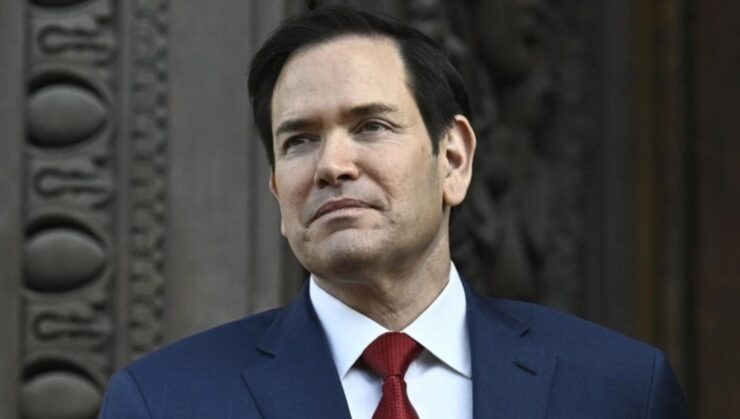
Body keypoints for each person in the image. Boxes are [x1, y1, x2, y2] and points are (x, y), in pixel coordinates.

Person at [99, 5, 688, 418]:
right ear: (277, 190)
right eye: (299, 140)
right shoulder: (166, 402)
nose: (332, 164)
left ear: (453, 159)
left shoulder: (617, 390)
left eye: (371, 126)